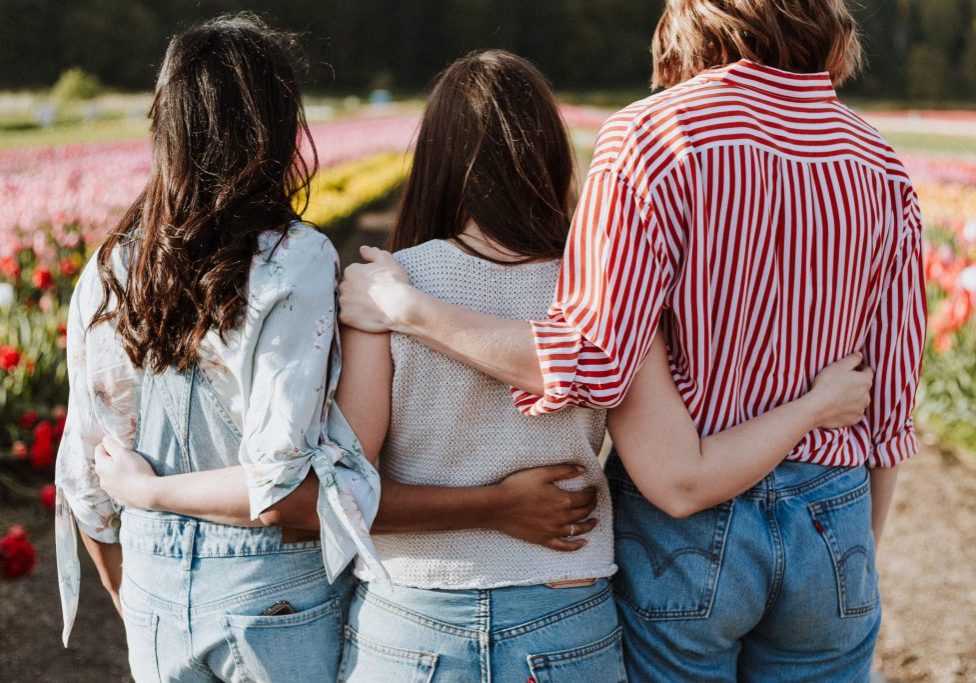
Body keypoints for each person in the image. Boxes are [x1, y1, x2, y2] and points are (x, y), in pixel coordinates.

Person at [337, 3, 927, 681]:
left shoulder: (654, 136)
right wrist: (856, 554)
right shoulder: (879, 159)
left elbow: (594, 358)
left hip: (696, 526)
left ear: (693, 26)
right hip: (836, 514)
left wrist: (409, 308)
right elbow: (891, 397)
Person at [55, 14, 380, 682]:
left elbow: (88, 476)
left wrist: (134, 586)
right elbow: (275, 480)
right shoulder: (295, 259)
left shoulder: (111, 267)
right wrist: (158, 497)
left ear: (168, 126)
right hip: (269, 592)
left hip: (151, 586)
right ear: (275, 127)